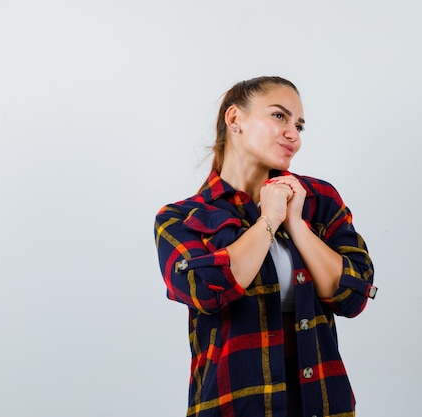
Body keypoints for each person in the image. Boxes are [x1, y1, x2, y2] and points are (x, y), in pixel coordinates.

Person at [154, 76, 377, 417]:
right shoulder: (182, 218)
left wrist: (296, 224)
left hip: (322, 405)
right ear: (235, 119)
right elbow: (209, 290)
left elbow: (354, 295)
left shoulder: (318, 200)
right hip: (234, 407)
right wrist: (268, 221)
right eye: (279, 116)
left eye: (299, 125)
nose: (294, 135)